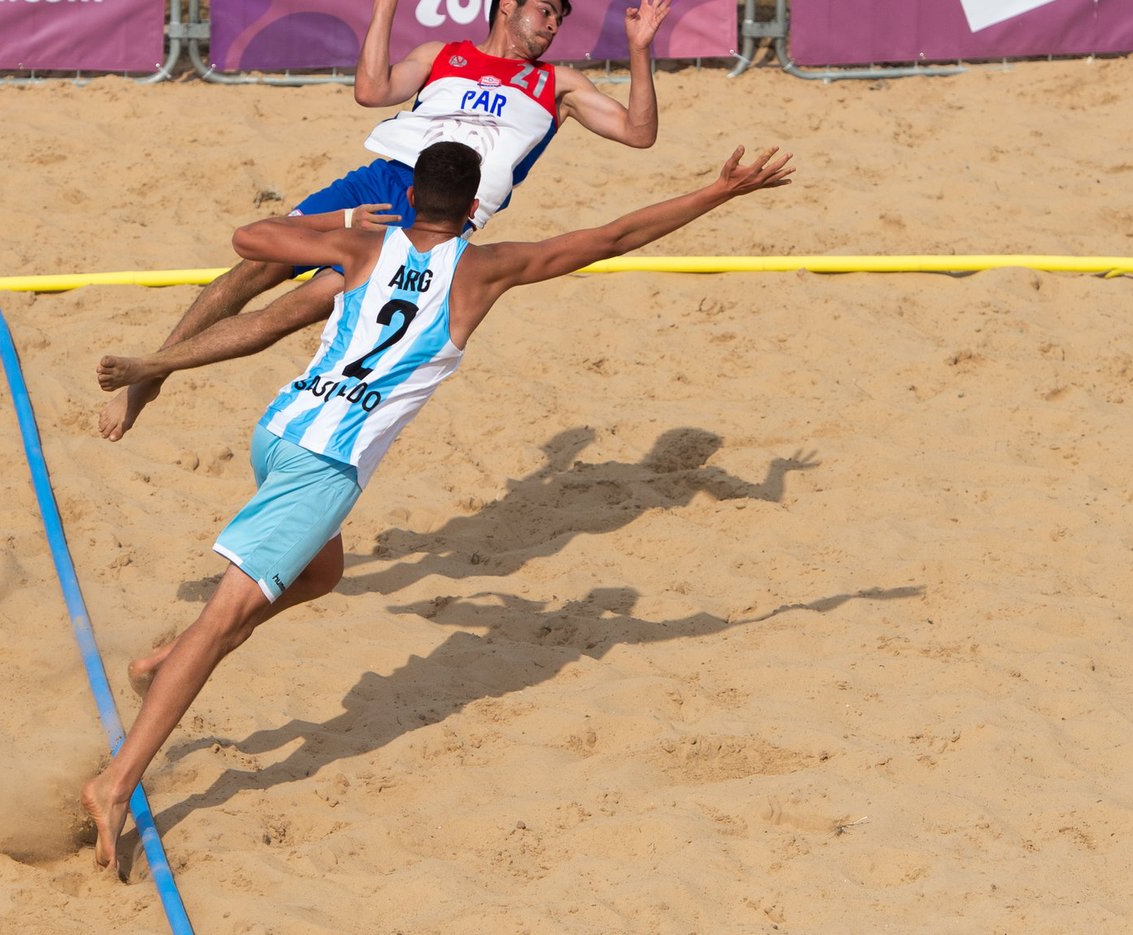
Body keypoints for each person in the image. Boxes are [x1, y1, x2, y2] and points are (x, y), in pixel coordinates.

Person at [80, 138, 796, 875]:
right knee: (222, 621)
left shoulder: (362, 246)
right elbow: (611, 236)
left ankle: (162, 662)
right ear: (475, 206)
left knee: (322, 573)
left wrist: (343, 219)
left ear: (413, 196)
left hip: (281, 428)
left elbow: (248, 244)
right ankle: (116, 780)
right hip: (327, 463)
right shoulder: (484, 269)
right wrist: (718, 192)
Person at [98, 0, 674, 441]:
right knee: (251, 269)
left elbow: (639, 132)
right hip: (379, 180)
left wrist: (639, 52)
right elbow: (371, 92)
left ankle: (155, 366)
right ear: (507, 6)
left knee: (302, 306)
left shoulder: (560, 84)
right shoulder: (442, 54)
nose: (553, 27)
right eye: (545, 11)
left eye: (560, 19)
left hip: (437, 216)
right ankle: (147, 379)